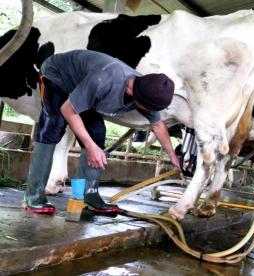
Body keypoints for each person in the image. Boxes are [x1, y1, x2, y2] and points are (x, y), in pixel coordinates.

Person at [24, 50, 181, 215]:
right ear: (137, 97)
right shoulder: (106, 80)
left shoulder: (147, 88)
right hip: (57, 76)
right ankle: (33, 197)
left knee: (97, 133)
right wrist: (90, 147)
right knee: (53, 126)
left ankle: (88, 196)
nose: (151, 112)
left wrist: (171, 154)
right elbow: (68, 110)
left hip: (84, 86)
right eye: (150, 108)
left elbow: (157, 124)